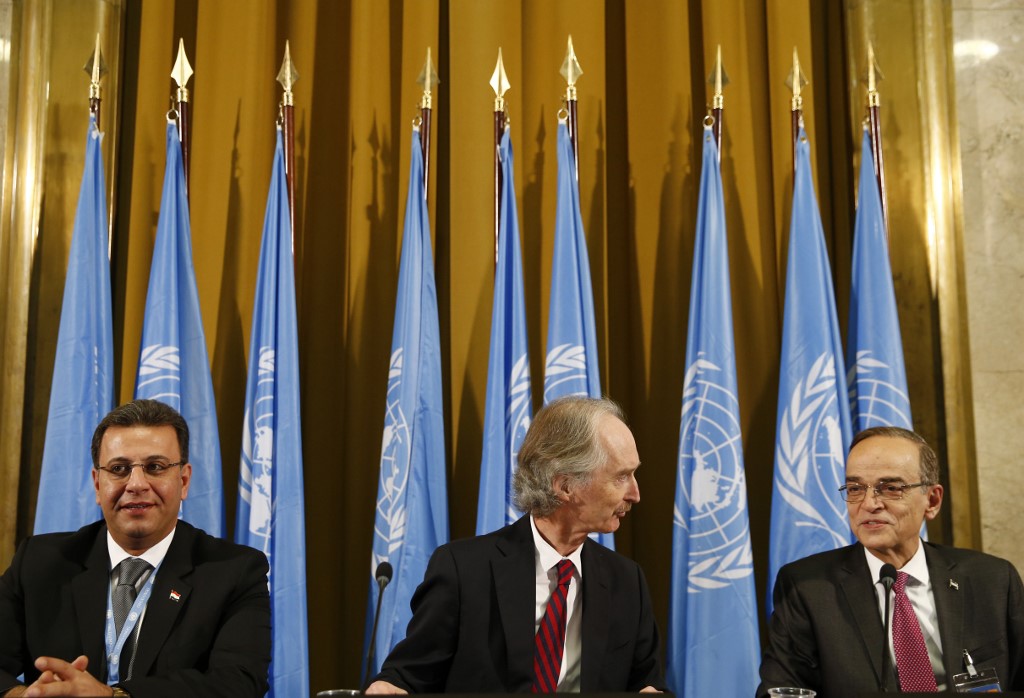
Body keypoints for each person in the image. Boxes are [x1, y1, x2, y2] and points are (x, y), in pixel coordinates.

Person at [366, 396, 665, 693]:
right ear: (565, 486)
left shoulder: (627, 582)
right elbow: (407, 677)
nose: (635, 494)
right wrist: (389, 685)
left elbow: (646, 682)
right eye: (621, 477)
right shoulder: (464, 571)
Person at [0, 399, 271, 698]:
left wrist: (114, 697)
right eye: (119, 468)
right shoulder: (40, 561)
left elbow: (239, 683)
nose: (137, 484)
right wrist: (23, 696)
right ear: (97, 484)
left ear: (183, 481)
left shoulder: (234, 571)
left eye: (155, 467)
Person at [758, 426, 1024, 697]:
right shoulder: (808, 588)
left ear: (932, 500)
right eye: (855, 488)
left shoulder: (993, 580)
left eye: (891, 488)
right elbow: (781, 691)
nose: (870, 503)